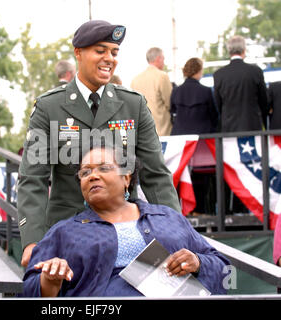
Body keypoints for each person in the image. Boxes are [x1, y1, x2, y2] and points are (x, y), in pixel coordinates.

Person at [17, 20, 181, 268]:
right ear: (78, 53)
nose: (109, 58)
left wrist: (176, 230)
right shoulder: (49, 107)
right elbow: (33, 178)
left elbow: (156, 175)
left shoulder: (133, 105)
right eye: (100, 51)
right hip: (68, 236)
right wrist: (33, 241)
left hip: (127, 234)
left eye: (114, 52)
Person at [23, 145, 230, 297]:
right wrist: (49, 280)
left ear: (127, 177)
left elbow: (225, 272)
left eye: (103, 168)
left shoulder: (168, 217)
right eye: (85, 172)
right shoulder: (65, 232)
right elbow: (28, 290)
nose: (92, 176)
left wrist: (198, 262)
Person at [213, 35, 268, 133]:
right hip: (252, 126)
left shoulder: (219, 75)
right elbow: (263, 100)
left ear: (229, 51)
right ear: (244, 50)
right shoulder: (255, 71)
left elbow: (218, 104)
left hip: (229, 128)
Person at [131, 47, 173, 136]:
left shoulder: (135, 80)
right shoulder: (162, 76)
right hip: (162, 129)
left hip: (143, 131)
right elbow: (170, 102)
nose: (164, 62)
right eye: (163, 59)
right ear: (158, 59)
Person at [170, 57, 218, 135]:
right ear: (198, 70)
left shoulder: (176, 91)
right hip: (202, 136)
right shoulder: (206, 91)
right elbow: (214, 116)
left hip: (180, 137)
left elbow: (173, 113)